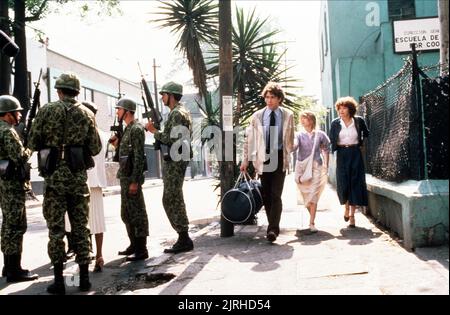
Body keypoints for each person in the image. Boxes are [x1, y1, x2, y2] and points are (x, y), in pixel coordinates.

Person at [28, 73, 102, 294]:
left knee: (56, 229)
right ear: (77, 91)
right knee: (81, 227)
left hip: (54, 179)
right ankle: (85, 278)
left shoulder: (47, 110)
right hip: (78, 178)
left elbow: (32, 142)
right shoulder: (87, 114)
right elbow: (96, 147)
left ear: (59, 90)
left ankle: (59, 280)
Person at [240, 82, 295, 243]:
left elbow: (290, 138)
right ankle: (272, 226)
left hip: (278, 157)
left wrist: (288, 152)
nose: (269, 100)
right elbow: (249, 140)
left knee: (276, 194)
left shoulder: (287, 115)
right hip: (263, 158)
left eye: (273, 97)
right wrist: (245, 160)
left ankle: (272, 229)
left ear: (279, 99)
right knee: (266, 195)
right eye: (267, 97)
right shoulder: (257, 116)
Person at [145, 81, 194, 254]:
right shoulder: (180, 112)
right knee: (173, 197)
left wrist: (153, 131)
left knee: (171, 198)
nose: (162, 98)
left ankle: (184, 236)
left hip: (175, 160)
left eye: (164, 94)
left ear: (171, 96)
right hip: (177, 158)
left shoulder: (176, 114)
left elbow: (171, 139)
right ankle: (183, 236)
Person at [0, 95, 39, 283]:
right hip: (12, 185)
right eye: (17, 112)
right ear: (8, 114)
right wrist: (30, 146)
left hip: (3, 184)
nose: (19, 115)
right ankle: (15, 270)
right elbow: (20, 156)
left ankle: (8, 266)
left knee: (7, 225)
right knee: (16, 226)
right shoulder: (7, 132)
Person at [109, 98, 149, 261]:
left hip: (132, 178)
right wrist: (116, 145)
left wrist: (135, 181)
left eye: (119, 109)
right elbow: (125, 155)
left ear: (127, 111)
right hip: (125, 177)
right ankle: (133, 244)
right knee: (126, 213)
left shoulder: (136, 129)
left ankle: (141, 249)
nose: (117, 112)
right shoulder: (127, 130)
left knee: (137, 214)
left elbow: (139, 157)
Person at [329, 96, 369, 228]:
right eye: (339, 108)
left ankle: (352, 216)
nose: (341, 110)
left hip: (355, 153)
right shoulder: (335, 123)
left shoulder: (358, 121)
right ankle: (345, 208)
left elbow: (366, 133)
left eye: (344, 108)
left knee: (355, 182)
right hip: (341, 154)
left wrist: (361, 144)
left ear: (350, 109)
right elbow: (331, 139)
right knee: (344, 182)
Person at [293, 111, 330, 233]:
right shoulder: (298, 135)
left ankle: (312, 223)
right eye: (301, 118)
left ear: (312, 120)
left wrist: (326, 164)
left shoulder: (320, 134)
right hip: (303, 168)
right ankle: (312, 217)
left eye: (305, 118)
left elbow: (326, 149)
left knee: (313, 194)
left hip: (316, 166)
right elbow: (295, 146)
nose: (303, 120)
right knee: (306, 194)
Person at [82, 101, 108, 272]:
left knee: (82, 224)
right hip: (97, 183)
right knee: (97, 222)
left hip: (83, 182)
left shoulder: (84, 134)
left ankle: (85, 255)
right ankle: (99, 255)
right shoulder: (102, 134)